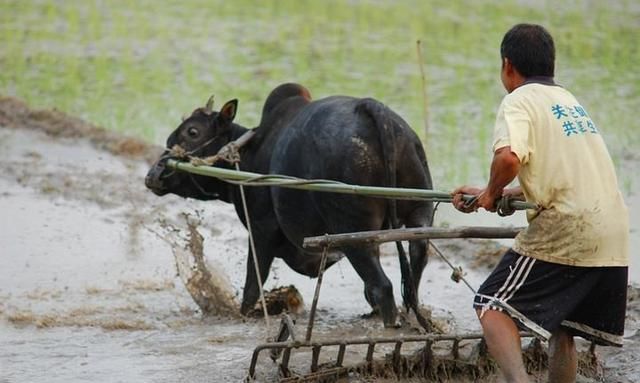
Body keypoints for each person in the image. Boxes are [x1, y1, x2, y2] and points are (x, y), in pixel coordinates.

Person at [452, 23, 629, 382]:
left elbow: (508, 160)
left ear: (507, 65)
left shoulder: (518, 100)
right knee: (563, 328)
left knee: (491, 305)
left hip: (568, 227)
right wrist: (498, 191)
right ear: (552, 65)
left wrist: (489, 194)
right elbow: (563, 177)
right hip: (613, 231)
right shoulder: (569, 101)